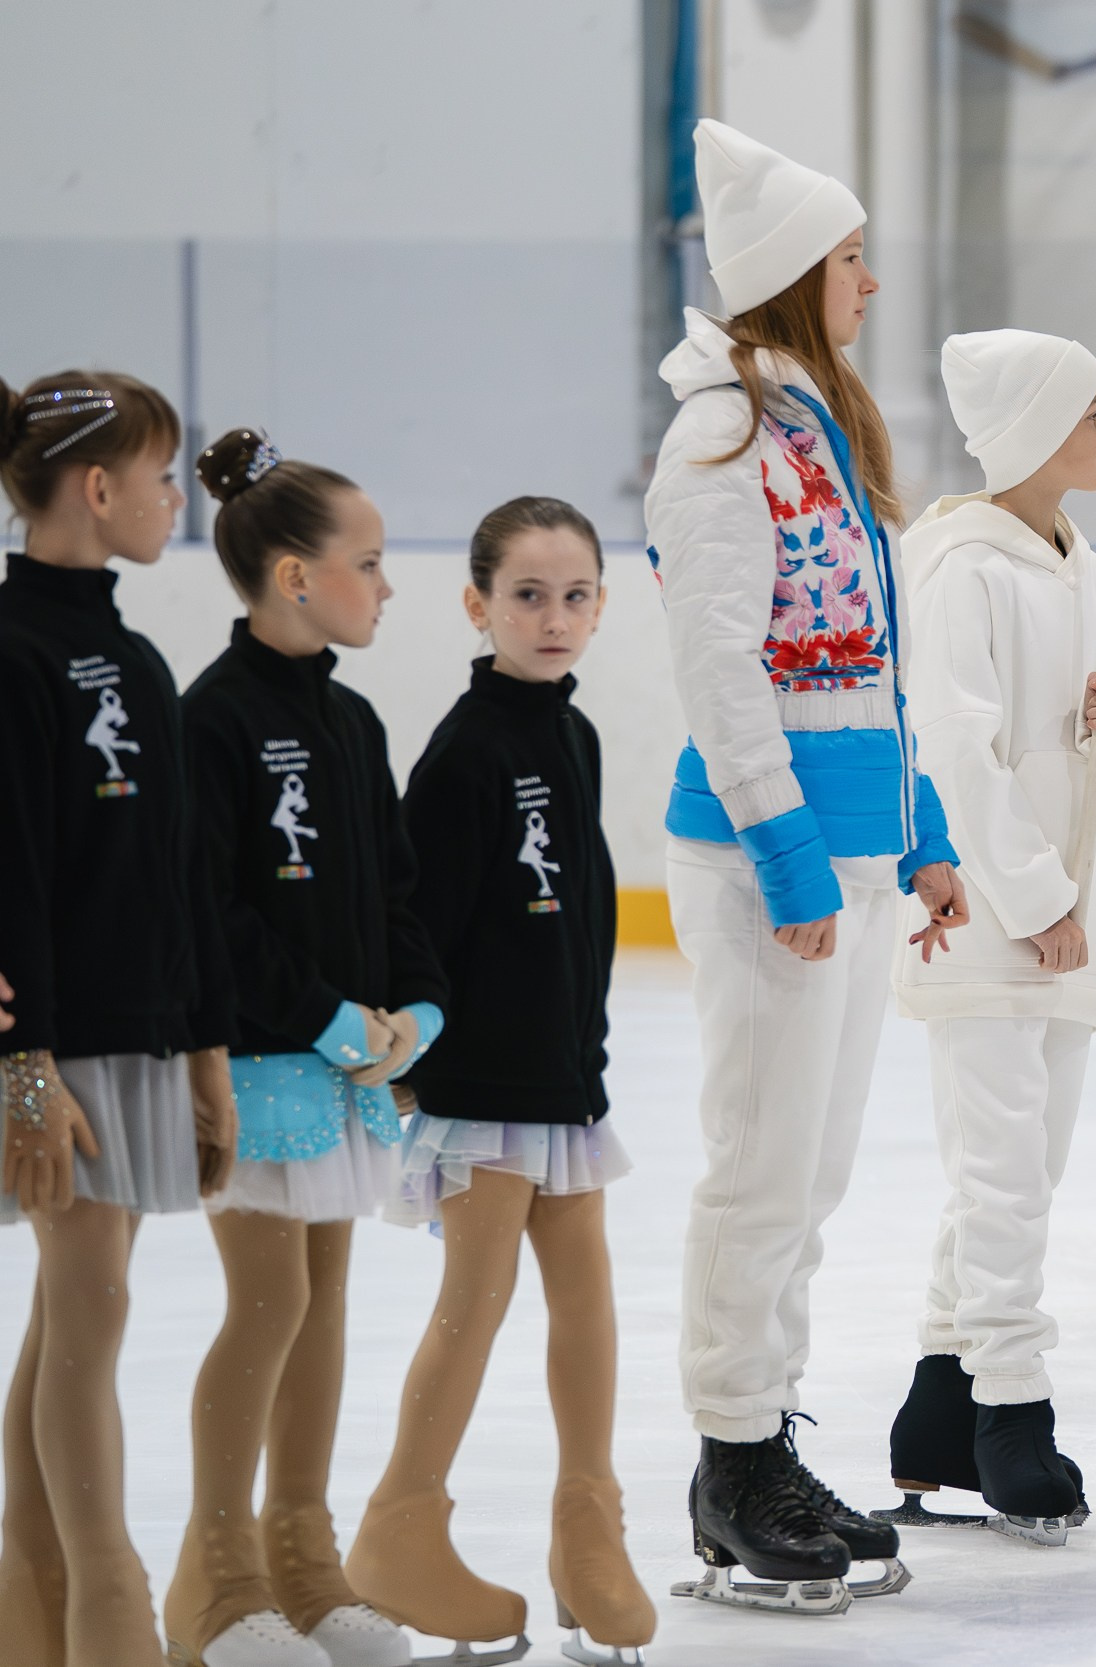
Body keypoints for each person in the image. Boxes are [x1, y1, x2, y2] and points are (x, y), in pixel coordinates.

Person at [646, 118, 962, 1611]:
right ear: (789, 276)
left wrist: (929, 834)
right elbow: (720, 669)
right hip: (775, 856)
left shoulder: (815, 432)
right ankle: (729, 1454)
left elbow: (877, 672)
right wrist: (784, 848)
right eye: (849, 260)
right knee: (762, 1160)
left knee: (816, 1170)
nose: (872, 282)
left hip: (856, 847)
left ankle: (768, 1425)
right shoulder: (715, 439)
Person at [883, 329, 1096, 1542]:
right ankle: (1012, 1410)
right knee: (1003, 1175)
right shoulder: (962, 567)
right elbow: (952, 743)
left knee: (1020, 1172)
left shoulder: (1080, 564)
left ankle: (936, 1407)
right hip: (999, 925)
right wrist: (1033, 896)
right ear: (1029, 430)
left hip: (1065, 920)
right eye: (1089, 411)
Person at [342, 498, 649, 1665]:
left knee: (589, 1304)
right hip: (480, 1089)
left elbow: (583, 924)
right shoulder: (467, 749)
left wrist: (585, 1054)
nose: (554, 616)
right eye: (527, 594)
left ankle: (588, 1531)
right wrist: (421, 1069)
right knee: (473, 1307)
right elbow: (416, 922)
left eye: (576, 595)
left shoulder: (571, 735)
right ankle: (400, 1523)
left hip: (563, 1082)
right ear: (477, 604)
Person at [173, 427, 447, 1667]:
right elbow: (209, 910)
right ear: (296, 574)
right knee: (269, 1298)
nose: (387, 586)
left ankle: (303, 1559)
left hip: (346, 1069)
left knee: (324, 1301)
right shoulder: (215, 719)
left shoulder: (350, 720)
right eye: (370, 562)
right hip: (261, 1064)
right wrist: (331, 1020)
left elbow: (395, 888)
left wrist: (415, 1011)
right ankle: (220, 1579)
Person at [0, 371, 234, 1667]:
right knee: (88, 1315)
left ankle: (31, 1611)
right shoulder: (14, 650)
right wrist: (23, 1066)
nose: (170, 498)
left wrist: (203, 1051)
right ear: (98, 489)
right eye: (160, 475)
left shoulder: (137, 657)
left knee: (70, 1314)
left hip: (138, 1037)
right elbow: (11, 874)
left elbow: (179, 872)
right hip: (57, 1051)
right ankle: (108, 1606)